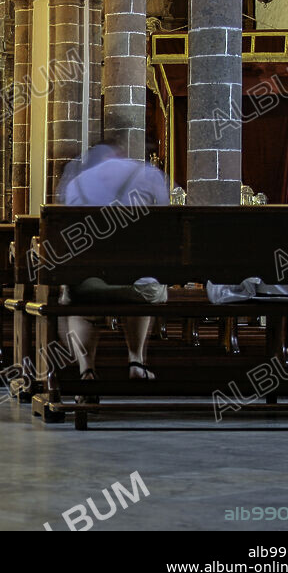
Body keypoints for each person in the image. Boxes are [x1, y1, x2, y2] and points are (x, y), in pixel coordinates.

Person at [58, 141, 169, 404]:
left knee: (76, 298)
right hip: (140, 283)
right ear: (118, 154)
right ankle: (136, 361)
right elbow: (166, 222)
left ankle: (87, 370)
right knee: (143, 281)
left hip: (89, 282)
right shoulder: (149, 174)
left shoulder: (75, 183)